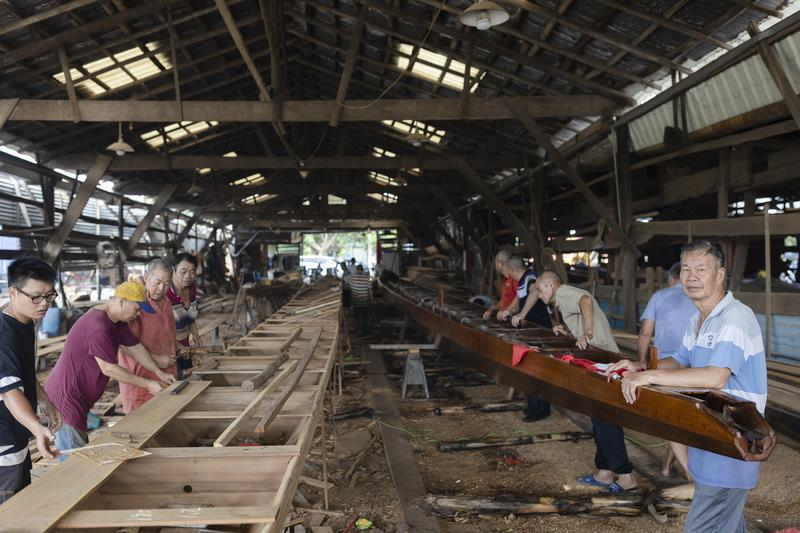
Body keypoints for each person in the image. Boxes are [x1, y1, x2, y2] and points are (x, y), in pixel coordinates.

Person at [607, 240, 767, 533]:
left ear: (720, 274)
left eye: (701, 269)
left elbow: (714, 376)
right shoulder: (699, 318)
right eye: (686, 269)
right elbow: (680, 362)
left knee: (703, 526)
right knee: (729, 525)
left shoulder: (734, 317)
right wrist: (642, 367)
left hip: (734, 438)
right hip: (710, 434)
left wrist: (651, 378)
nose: (691, 276)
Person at [536, 271, 638, 493]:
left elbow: (586, 301)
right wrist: (572, 332)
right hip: (600, 357)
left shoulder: (562, 293)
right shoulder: (563, 299)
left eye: (540, 289)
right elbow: (583, 311)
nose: (539, 294)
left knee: (605, 417)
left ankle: (626, 476)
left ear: (550, 286)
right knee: (598, 415)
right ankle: (604, 471)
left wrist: (588, 333)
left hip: (603, 360)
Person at [44, 281, 176, 453]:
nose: (137, 315)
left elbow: (134, 348)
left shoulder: (117, 322)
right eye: (136, 309)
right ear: (121, 300)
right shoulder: (98, 327)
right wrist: (147, 383)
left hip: (78, 398)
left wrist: (159, 373)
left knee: (80, 452)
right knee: (74, 460)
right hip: (67, 397)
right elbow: (109, 368)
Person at [0, 257, 61, 503]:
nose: (44, 304)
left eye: (49, 296)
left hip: (17, 429)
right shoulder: (4, 336)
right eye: (36, 297)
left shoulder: (23, 321)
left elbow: (23, 371)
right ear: (13, 292)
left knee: (23, 494)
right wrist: (37, 428)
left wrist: (44, 399)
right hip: (4, 439)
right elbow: (10, 392)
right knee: (12, 505)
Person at [638, 261, 697, 480]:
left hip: (664, 365)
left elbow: (645, 333)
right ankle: (666, 467)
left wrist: (641, 364)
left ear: (672, 278)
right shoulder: (698, 298)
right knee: (680, 417)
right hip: (693, 367)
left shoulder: (659, 296)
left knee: (673, 420)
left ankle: (690, 476)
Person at [118, 259, 178, 414]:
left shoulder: (167, 303)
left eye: (166, 284)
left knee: (165, 422)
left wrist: (178, 347)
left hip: (167, 376)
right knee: (140, 427)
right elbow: (122, 344)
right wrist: (156, 359)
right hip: (139, 378)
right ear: (146, 278)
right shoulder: (134, 304)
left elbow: (167, 335)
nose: (161, 288)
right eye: (157, 282)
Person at [497, 257, 552, 421]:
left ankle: (540, 410)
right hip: (529, 331)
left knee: (534, 371)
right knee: (528, 371)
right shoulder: (523, 281)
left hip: (538, 331)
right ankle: (535, 407)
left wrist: (521, 314)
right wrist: (509, 311)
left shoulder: (531, 278)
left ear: (511, 269)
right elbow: (519, 300)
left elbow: (534, 293)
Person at [167, 252, 202, 378]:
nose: (188, 276)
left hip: (185, 345)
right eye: (183, 271)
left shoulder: (192, 289)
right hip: (167, 348)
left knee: (186, 378)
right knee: (172, 382)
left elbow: (189, 316)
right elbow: (158, 329)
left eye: (192, 271)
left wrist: (195, 334)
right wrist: (177, 346)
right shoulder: (165, 294)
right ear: (173, 270)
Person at [481, 250, 515, 321]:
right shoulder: (506, 279)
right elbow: (504, 299)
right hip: (503, 318)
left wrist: (507, 311)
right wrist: (493, 309)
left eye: (495, 262)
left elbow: (519, 299)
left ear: (500, 264)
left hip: (512, 319)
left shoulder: (515, 279)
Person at [349, 265, 372, 337]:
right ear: (362, 270)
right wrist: (372, 299)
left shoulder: (352, 277)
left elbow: (346, 286)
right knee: (363, 317)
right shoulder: (367, 278)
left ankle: (359, 332)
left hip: (355, 302)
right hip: (364, 301)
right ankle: (362, 331)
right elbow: (370, 290)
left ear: (356, 270)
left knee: (357, 318)